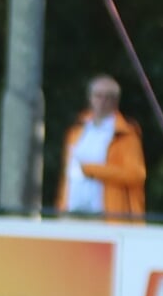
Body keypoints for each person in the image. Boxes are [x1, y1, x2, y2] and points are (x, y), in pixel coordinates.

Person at [57, 74, 146, 220]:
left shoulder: (125, 134)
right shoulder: (76, 130)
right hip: (71, 211)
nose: (103, 101)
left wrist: (93, 170)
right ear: (90, 98)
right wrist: (61, 207)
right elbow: (68, 174)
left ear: (116, 101)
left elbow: (136, 174)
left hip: (106, 215)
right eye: (98, 96)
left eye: (108, 97)